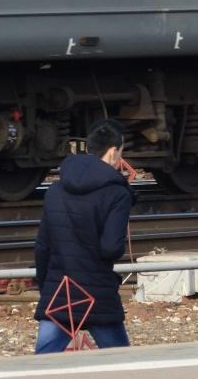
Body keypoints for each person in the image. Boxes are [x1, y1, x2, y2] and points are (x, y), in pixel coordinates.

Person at [34, 119, 134, 353]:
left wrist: (45, 287)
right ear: (112, 152)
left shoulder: (55, 190)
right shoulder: (117, 193)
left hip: (61, 292)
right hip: (97, 293)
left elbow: (42, 247)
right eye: (120, 153)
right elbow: (111, 248)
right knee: (123, 361)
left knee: (41, 363)